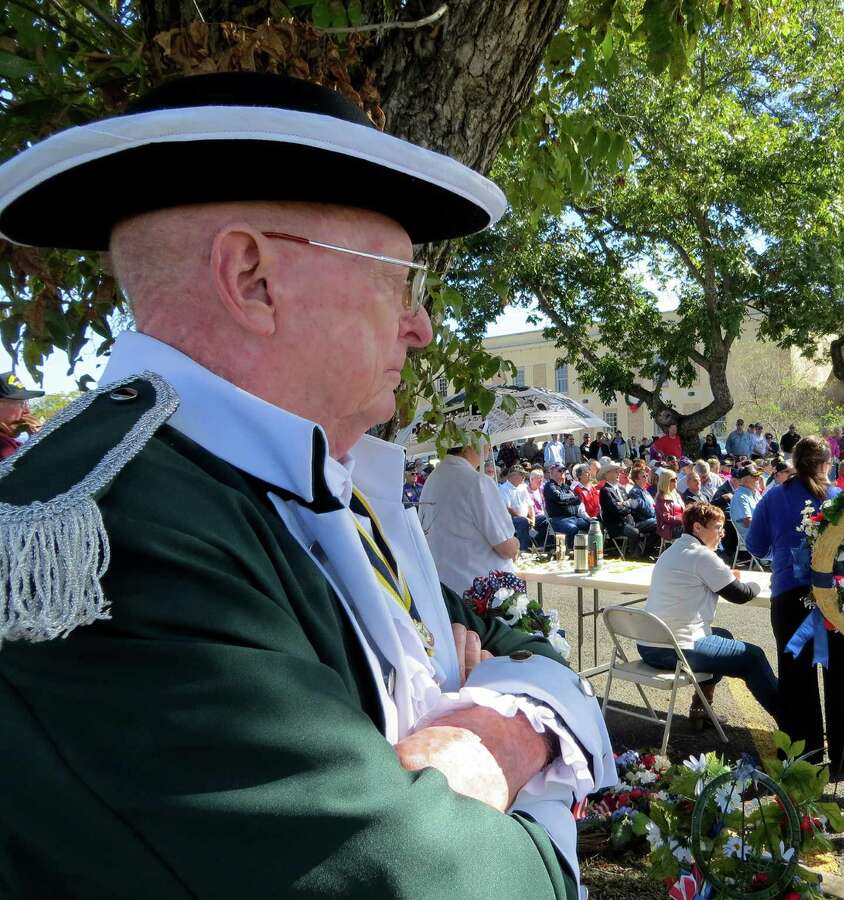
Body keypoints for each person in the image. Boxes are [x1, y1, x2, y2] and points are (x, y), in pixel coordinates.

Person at [0, 72, 612, 897]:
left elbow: (510, 642)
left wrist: (495, 735)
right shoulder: (114, 529)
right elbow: (430, 880)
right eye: (400, 280)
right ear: (253, 277)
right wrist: (523, 753)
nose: (422, 327)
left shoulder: (325, 486)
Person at [746, 436, 844, 778]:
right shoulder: (841, 498)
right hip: (838, 596)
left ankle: (805, 756)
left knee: (796, 679)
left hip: (790, 596)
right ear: (825, 465)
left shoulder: (773, 496)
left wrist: (785, 551)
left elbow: (755, 544)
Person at [639, 503, 778, 728]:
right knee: (753, 657)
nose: (722, 533)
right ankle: (792, 724)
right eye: (717, 527)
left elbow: (704, 578)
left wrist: (727, 577)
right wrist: (760, 583)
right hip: (675, 650)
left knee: (724, 635)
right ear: (697, 528)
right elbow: (741, 595)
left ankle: (700, 709)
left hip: (648, 645)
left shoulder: (673, 550)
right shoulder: (702, 556)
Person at [421, 442, 519, 591]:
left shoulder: (432, 479)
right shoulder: (478, 482)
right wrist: (516, 543)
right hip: (481, 592)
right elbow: (506, 548)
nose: (489, 447)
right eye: (486, 442)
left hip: (444, 587)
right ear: (470, 443)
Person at [598, 462, 651, 556]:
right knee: (635, 532)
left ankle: (645, 553)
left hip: (629, 522)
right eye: (615, 471)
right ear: (607, 474)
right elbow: (615, 510)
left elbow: (631, 504)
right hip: (616, 525)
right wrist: (626, 506)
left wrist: (624, 505)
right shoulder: (605, 491)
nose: (618, 473)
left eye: (618, 471)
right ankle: (635, 556)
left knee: (652, 526)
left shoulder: (621, 488)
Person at [0, 373, 44, 459]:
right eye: (21, 403)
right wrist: (42, 438)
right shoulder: (3, 444)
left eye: (26, 403)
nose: (26, 410)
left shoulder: (8, 441)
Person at [543, 463, 591, 542]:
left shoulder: (566, 487)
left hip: (573, 517)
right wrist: (570, 497)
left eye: (564, 470)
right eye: (560, 470)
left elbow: (578, 499)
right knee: (572, 529)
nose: (562, 472)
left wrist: (566, 499)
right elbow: (558, 498)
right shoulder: (549, 486)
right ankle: (571, 551)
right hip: (557, 519)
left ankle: (589, 550)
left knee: (592, 525)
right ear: (551, 472)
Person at [500, 465, 542, 553]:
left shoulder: (523, 487)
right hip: (510, 519)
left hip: (525, 518)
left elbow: (530, 506)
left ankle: (542, 547)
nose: (524, 477)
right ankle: (524, 550)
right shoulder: (503, 489)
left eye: (523, 475)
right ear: (512, 476)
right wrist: (526, 519)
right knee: (523, 522)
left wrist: (533, 521)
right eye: (521, 475)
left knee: (544, 519)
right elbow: (508, 509)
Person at [728, 465, 761, 545]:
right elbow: (748, 522)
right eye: (754, 476)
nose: (758, 478)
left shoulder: (755, 493)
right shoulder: (740, 496)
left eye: (758, 475)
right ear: (743, 480)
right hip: (754, 538)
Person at [654, 469, 685, 541]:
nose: (676, 481)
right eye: (673, 480)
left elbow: (683, 510)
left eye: (676, 479)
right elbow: (667, 518)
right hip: (669, 529)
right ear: (666, 481)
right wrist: (683, 519)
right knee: (692, 529)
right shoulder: (661, 498)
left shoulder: (676, 494)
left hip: (680, 524)